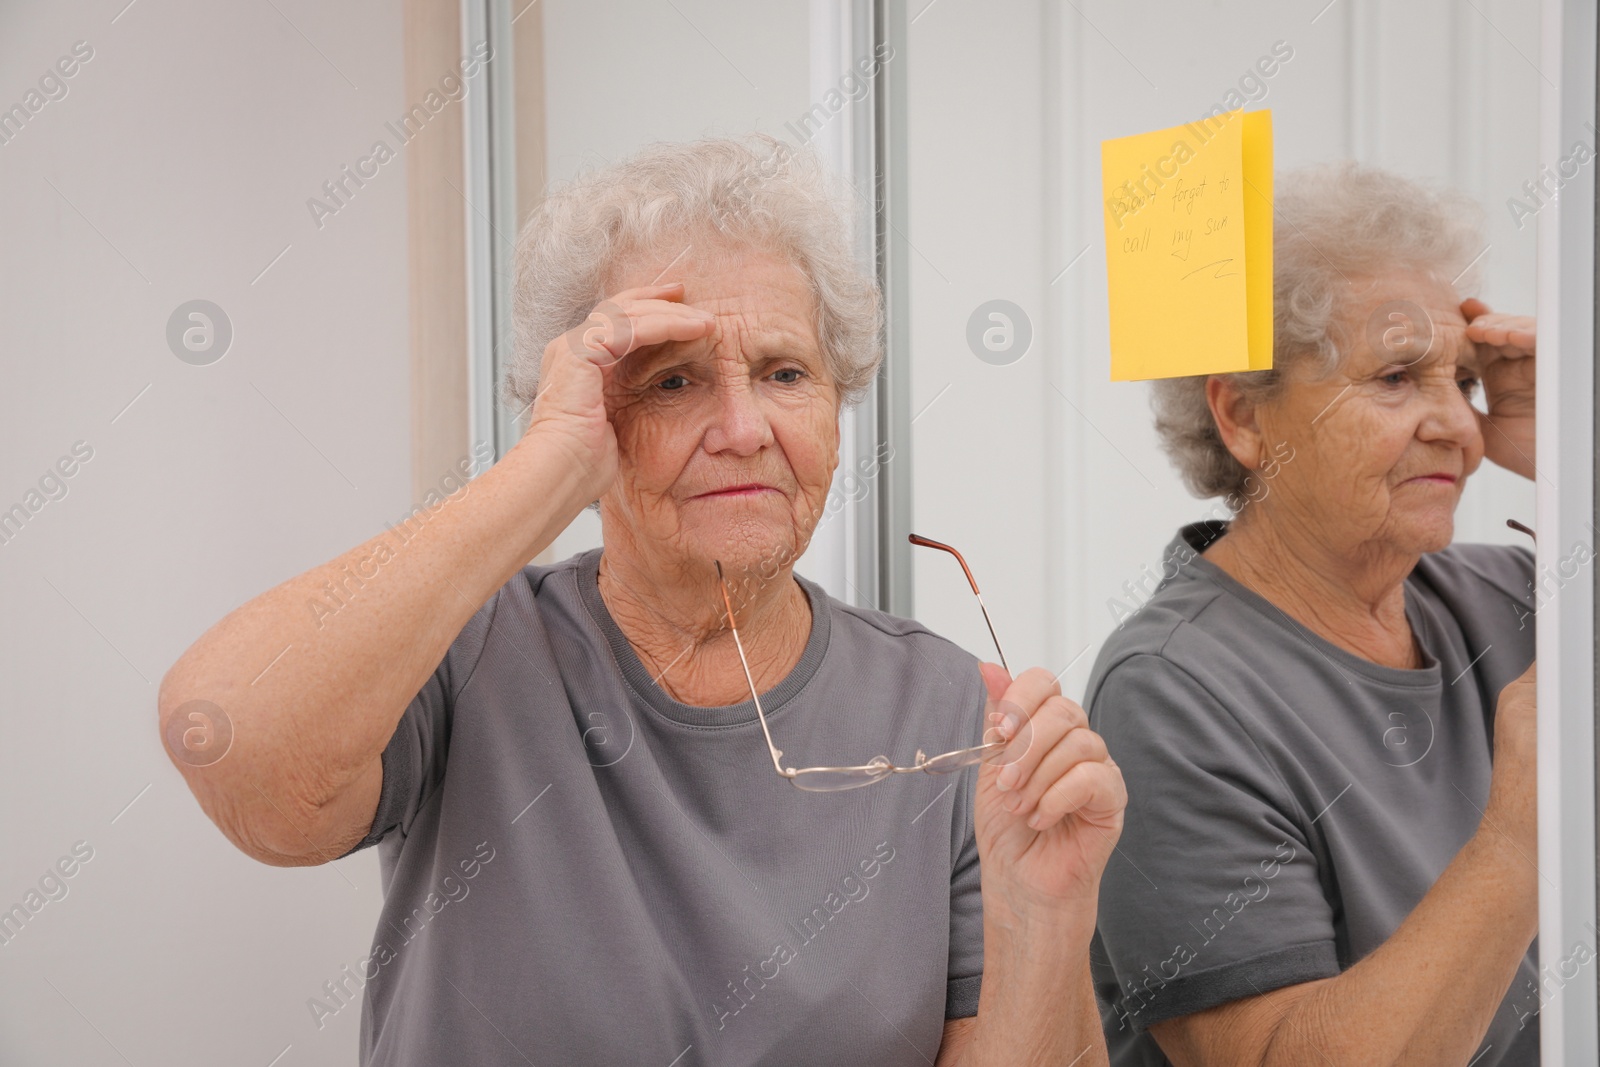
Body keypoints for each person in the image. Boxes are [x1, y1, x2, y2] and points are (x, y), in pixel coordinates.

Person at [158, 134, 1126, 1066]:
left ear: (838, 405)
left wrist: (1044, 922)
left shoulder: (951, 708)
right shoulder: (469, 652)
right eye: (673, 382)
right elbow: (232, 744)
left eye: (786, 372)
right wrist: (546, 468)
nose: (743, 427)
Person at [1086, 162, 1540, 1066]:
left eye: (1464, 381)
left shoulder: (1512, 597)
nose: (1458, 423)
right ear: (1245, 415)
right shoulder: (1169, 694)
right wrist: (1524, 831)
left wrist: (1582, 440)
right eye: (1400, 377)